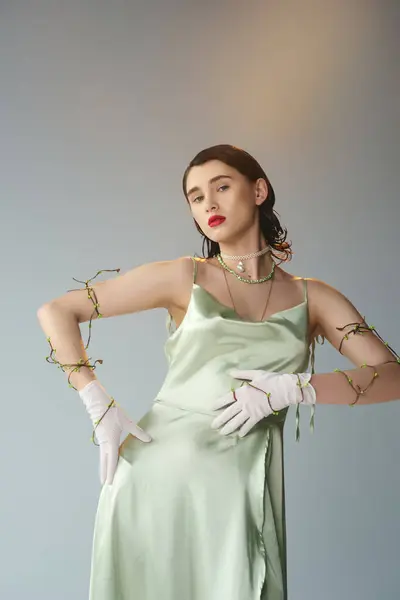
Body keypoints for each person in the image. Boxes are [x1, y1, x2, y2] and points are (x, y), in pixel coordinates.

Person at [37, 144, 400, 600]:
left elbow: (392, 375)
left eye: (222, 187)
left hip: (238, 495)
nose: (208, 203)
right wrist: (97, 402)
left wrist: (297, 387)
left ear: (259, 190)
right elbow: (56, 311)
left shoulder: (316, 299)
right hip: (152, 482)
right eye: (195, 196)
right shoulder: (183, 277)